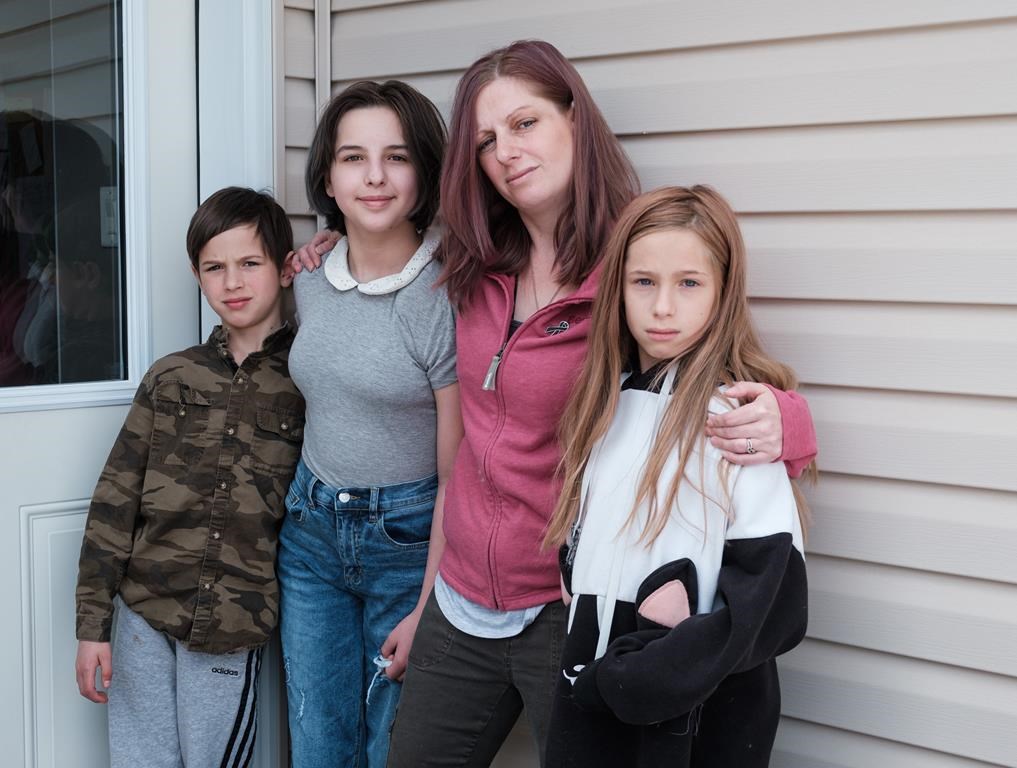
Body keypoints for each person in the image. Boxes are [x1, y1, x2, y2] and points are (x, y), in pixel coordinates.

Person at [292, 40, 816, 766]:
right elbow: (383, 257)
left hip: (568, 609)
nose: (506, 151)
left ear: (574, 118)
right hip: (460, 595)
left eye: (525, 123)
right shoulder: (468, 262)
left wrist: (789, 423)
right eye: (485, 139)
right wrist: (320, 250)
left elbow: (715, 364)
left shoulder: (634, 263)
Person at [543, 185, 810, 768]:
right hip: (590, 706)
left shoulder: (737, 422)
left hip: (696, 728)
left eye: (689, 283)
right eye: (644, 282)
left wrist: (643, 678)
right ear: (618, 288)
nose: (663, 306)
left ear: (722, 292)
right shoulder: (603, 407)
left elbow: (774, 606)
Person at [74, 187, 305, 768]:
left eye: (250, 263)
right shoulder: (171, 377)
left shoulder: (308, 378)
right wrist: (92, 626)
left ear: (282, 267)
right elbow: (115, 500)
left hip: (231, 623)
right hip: (141, 617)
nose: (233, 282)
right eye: (214, 267)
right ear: (197, 276)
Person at [278, 80, 461, 768]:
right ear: (327, 173)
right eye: (354, 157)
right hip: (309, 535)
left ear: (427, 172)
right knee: (318, 744)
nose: (375, 176)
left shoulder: (443, 291)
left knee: (393, 748)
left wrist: (428, 606)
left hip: (406, 544)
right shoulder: (308, 276)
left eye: (398, 156)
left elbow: (458, 468)